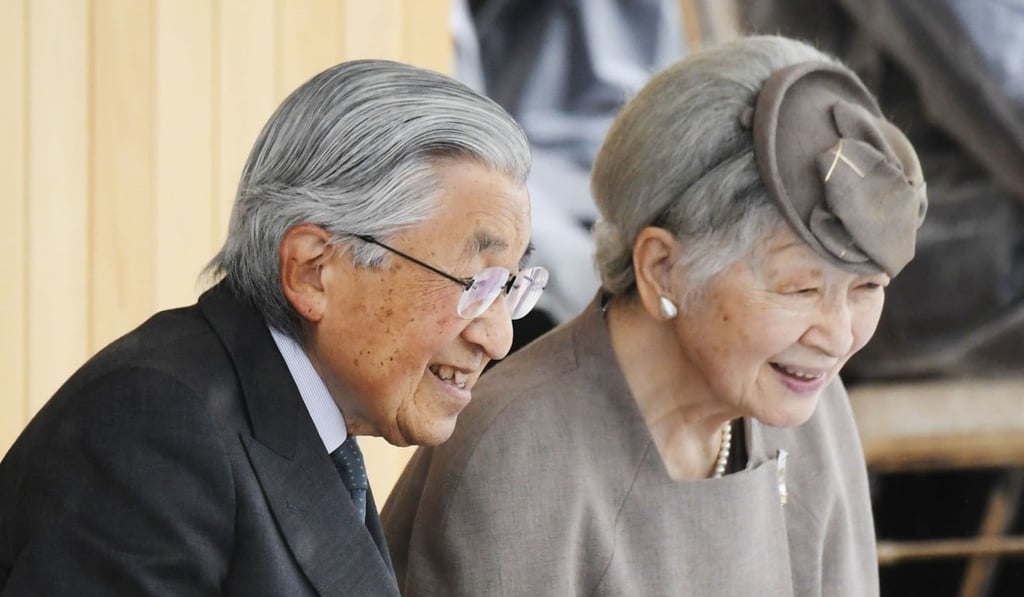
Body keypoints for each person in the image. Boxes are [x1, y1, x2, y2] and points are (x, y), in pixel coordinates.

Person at [382, 35, 927, 596]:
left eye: (866, 287)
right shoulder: (521, 461)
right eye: (800, 288)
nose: (838, 335)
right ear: (664, 267)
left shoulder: (807, 403)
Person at [0, 59, 545, 595]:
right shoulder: (154, 427)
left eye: (507, 287)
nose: (497, 338)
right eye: (473, 282)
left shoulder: (302, 414)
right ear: (312, 271)